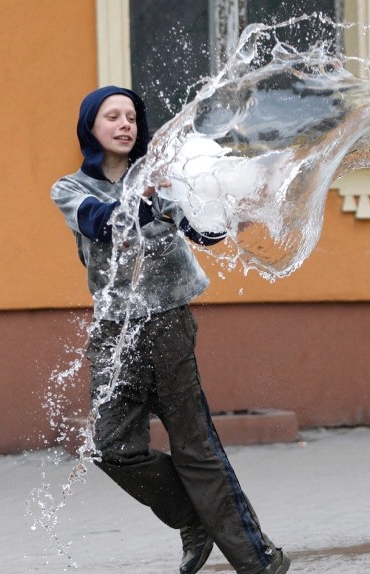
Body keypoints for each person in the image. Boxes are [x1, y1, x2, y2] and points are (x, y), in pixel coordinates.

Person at [51, 85, 290, 574]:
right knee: (110, 445)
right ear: (90, 130)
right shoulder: (71, 189)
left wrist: (233, 198)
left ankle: (258, 560)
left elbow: (205, 231)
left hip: (169, 325)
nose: (124, 125)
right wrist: (152, 193)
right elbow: (105, 224)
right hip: (114, 330)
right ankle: (191, 518)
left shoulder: (167, 179)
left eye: (132, 117)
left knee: (195, 447)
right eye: (111, 117)